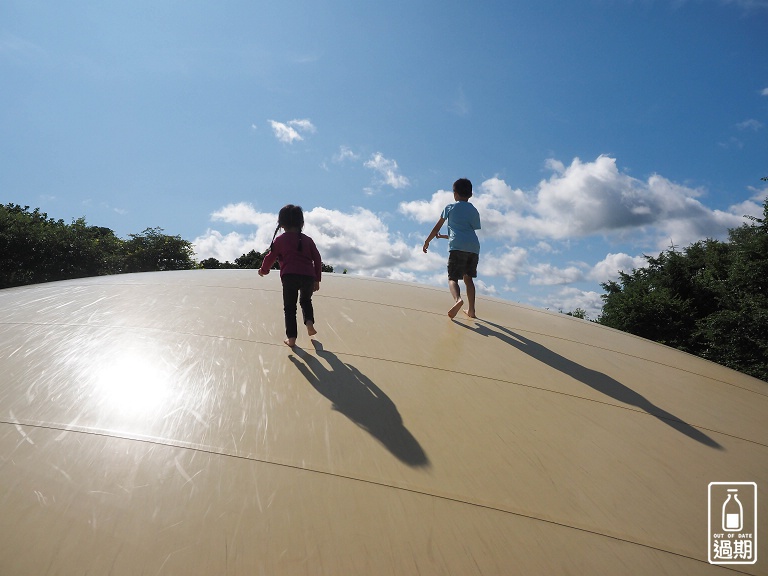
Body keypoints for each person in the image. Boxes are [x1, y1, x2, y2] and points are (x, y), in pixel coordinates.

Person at [259, 205, 322, 347]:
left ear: (281, 224)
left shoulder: (280, 240)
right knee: (306, 301)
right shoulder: (308, 240)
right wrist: (317, 279)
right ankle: (309, 323)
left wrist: (264, 270)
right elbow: (317, 259)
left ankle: (291, 338)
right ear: (301, 223)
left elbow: (271, 257)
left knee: (290, 307)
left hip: (289, 277)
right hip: (308, 276)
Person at [423, 178, 481, 319]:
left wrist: (427, 241)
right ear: (471, 194)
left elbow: (437, 227)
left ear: (454, 194)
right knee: (469, 279)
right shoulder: (473, 210)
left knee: (452, 278)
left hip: (457, 247)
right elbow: (466, 231)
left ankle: (458, 300)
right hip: (473, 247)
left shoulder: (450, 207)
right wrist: (443, 237)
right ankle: (472, 310)